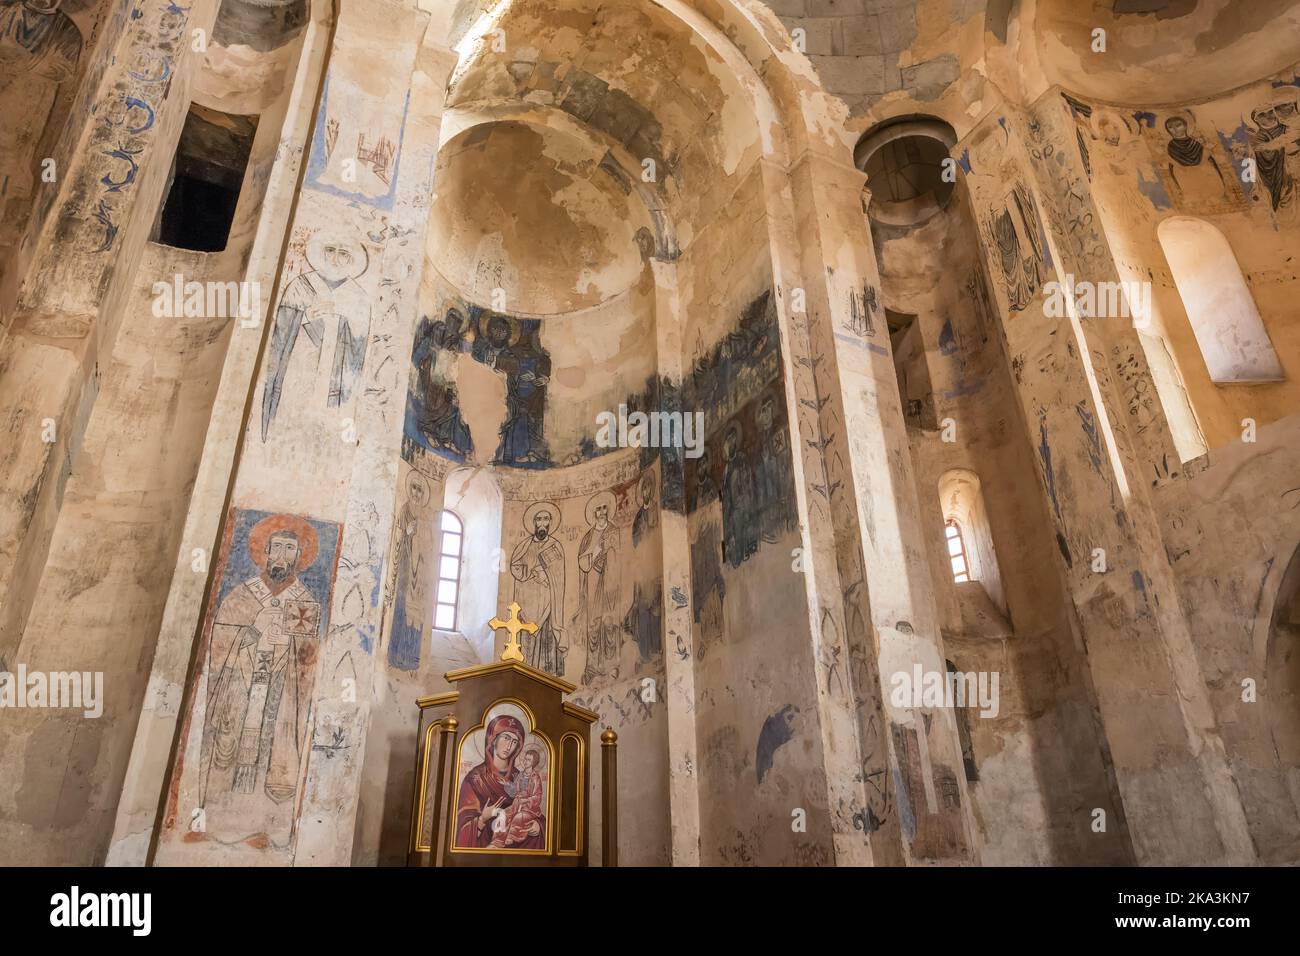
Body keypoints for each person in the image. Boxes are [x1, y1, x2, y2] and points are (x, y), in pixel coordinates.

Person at [454, 715, 544, 850]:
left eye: (514, 742)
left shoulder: (520, 776)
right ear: (493, 738)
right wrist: (482, 819)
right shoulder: (475, 779)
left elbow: (534, 807)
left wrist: (538, 825)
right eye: (506, 738)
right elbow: (460, 830)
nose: (509, 746)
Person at [491, 748, 545, 848]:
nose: (525, 761)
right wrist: (506, 784)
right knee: (503, 814)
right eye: (525, 759)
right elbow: (515, 791)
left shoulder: (535, 777)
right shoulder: (520, 775)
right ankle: (497, 841)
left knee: (518, 817)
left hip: (530, 809)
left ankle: (511, 837)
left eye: (529, 760)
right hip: (517, 804)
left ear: (534, 762)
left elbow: (537, 796)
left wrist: (525, 800)